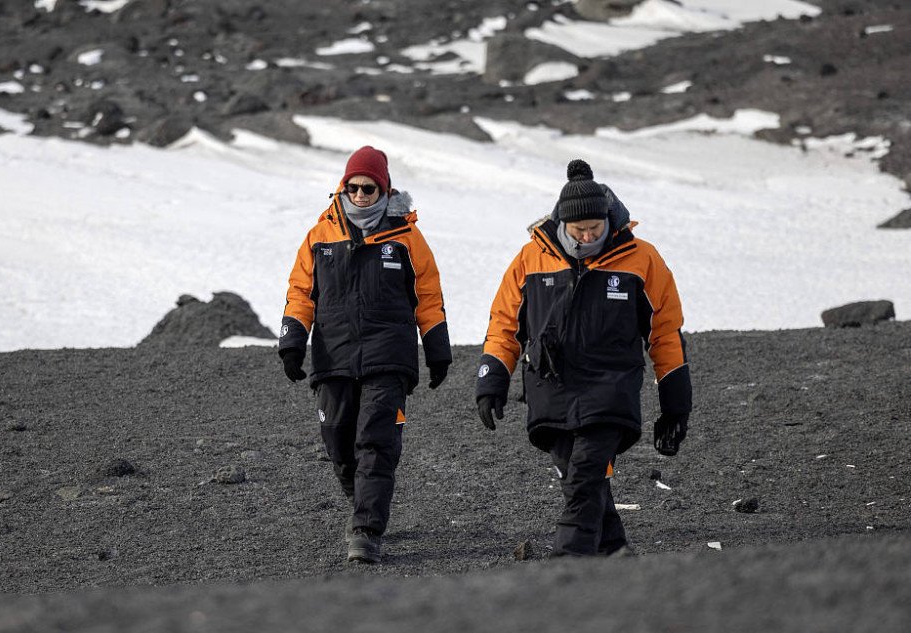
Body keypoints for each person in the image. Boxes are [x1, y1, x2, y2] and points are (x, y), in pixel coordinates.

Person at [475, 159, 691, 557]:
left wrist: (675, 406)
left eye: (596, 227)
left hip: (611, 387)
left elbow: (664, 332)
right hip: (549, 387)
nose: (588, 236)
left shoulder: (642, 259)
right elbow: (505, 324)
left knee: (586, 473)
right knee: (576, 473)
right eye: (579, 230)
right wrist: (492, 380)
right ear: (562, 224)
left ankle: (568, 558)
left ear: (609, 219)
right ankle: (614, 551)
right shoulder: (530, 259)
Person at [278, 145, 452, 564]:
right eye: (353, 187)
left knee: (376, 440)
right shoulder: (320, 236)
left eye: (368, 188)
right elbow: (301, 292)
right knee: (338, 439)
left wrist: (437, 349)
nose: (360, 195)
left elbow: (428, 296)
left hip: (389, 354)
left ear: (384, 189)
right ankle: (361, 499)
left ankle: (366, 530)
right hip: (333, 355)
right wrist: (291, 341)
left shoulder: (407, 238)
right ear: (343, 186)